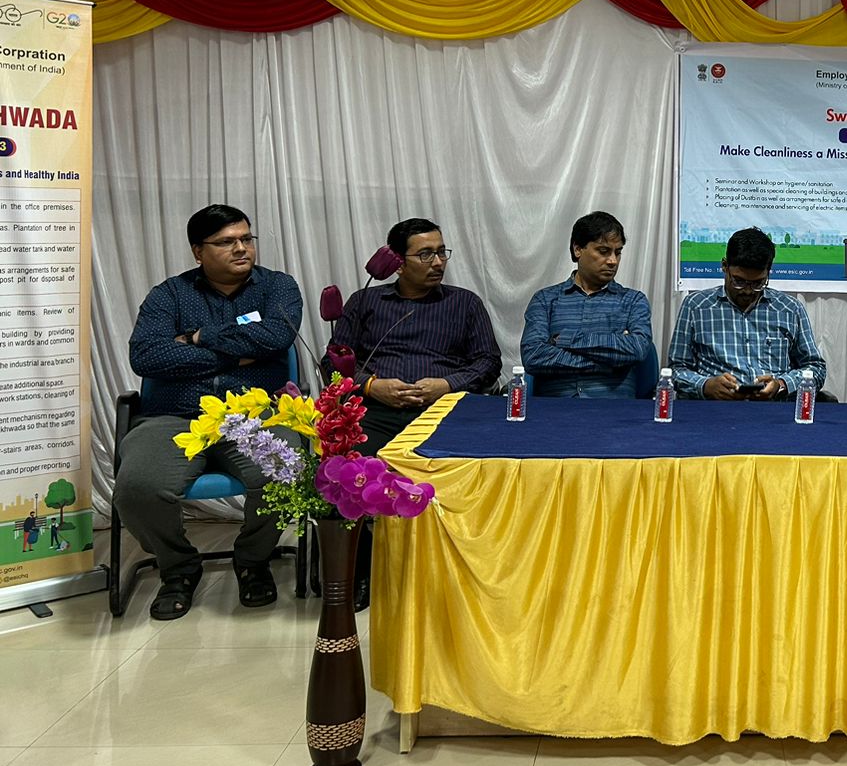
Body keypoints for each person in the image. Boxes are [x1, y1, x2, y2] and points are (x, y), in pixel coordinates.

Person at [114, 204, 303, 619]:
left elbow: (277, 336)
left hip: (254, 417)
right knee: (138, 487)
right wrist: (237, 354)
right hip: (174, 416)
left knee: (285, 471)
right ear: (198, 251)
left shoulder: (277, 287)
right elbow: (147, 356)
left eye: (246, 238)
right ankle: (179, 567)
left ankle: (253, 561)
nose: (242, 248)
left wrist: (197, 338)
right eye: (226, 242)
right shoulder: (169, 295)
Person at [327, 216, 501, 452]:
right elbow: (333, 361)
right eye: (425, 254)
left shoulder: (465, 303)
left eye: (441, 252)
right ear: (398, 264)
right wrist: (371, 386)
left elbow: (489, 362)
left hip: (444, 410)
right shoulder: (364, 301)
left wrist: (447, 384)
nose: (438, 263)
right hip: (375, 412)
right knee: (353, 465)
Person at [669, 228, 827, 400]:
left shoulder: (790, 309)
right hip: (715, 408)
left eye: (758, 283)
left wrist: (782, 385)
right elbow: (676, 369)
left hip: (774, 409)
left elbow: (815, 368)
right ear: (724, 266)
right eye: (738, 281)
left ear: (769, 271)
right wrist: (705, 386)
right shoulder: (696, 307)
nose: (747, 290)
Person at [521, 211, 653, 398]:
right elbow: (533, 356)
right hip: (554, 409)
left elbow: (637, 348)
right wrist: (610, 362)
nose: (613, 261)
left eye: (618, 252)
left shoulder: (633, 301)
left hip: (615, 410)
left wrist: (565, 340)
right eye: (603, 251)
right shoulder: (545, 300)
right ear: (578, 249)